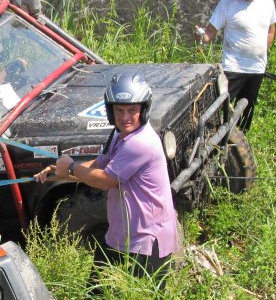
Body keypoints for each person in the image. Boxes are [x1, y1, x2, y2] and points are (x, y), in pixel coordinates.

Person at [35, 73, 179, 282]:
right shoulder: (120, 135)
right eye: (118, 110)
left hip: (147, 240)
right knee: (97, 291)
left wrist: (72, 167)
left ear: (144, 110)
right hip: (123, 233)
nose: (124, 117)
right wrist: (60, 174)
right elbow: (98, 165)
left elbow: (105, 180)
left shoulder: (140, 143)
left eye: (132, 110)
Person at [195, 0, 276, 133]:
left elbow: (271, 30)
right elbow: (210, 31)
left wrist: (264, 51)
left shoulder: (267, 2)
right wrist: (202, 36)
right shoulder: (227, 3)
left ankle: (239, 146)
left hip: (256, 69)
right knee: (218, 108)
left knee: (246, 111)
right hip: (233, 67)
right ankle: (210, 138)